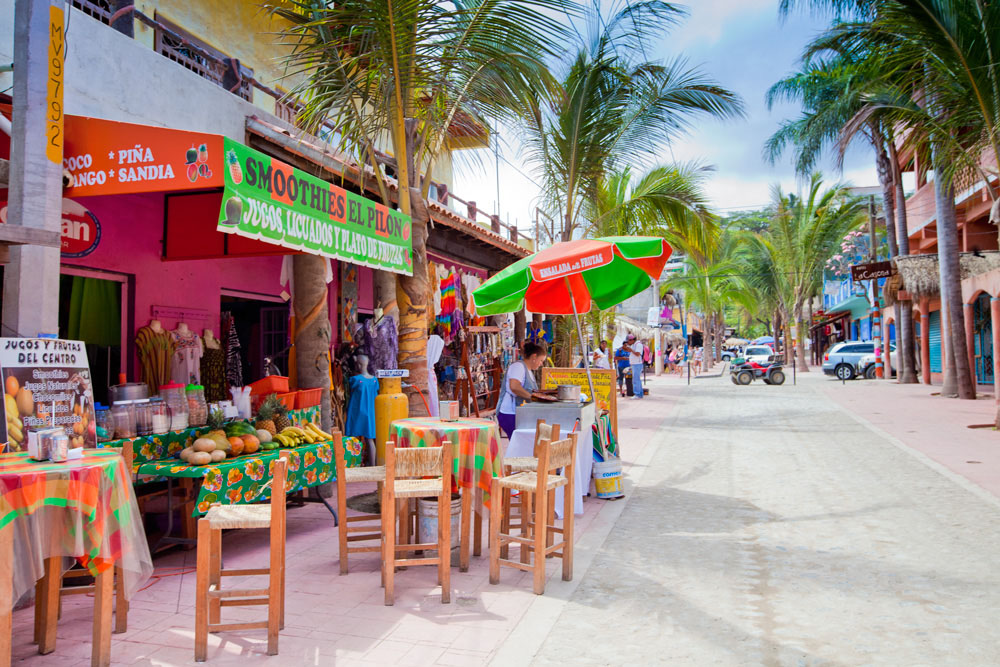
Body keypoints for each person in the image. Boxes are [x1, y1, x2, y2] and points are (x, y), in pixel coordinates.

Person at [496, 342, 548, 438]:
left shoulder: (529, 371)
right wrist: (532, 397)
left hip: (518, 413)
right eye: (541, 360)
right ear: (534, 357)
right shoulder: (518, 367)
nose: (541, 364)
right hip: (510, 413)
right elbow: (514, 386)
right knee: (518, 441)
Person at [624, 333, 645, 399]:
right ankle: (640, 393)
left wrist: (631, 350)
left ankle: (637, 394)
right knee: (637, 379)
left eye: (628, 341)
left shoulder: (638, 345)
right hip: (635, 364)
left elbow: (638, 354)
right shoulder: (634, 345)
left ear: (632, 340)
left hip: (637, 364)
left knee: (636, 380)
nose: (628, 342)